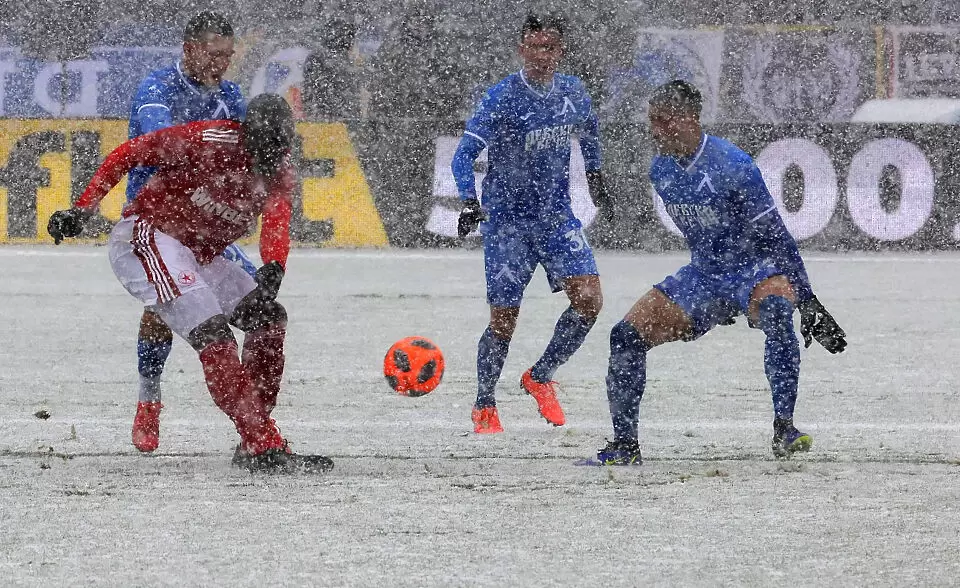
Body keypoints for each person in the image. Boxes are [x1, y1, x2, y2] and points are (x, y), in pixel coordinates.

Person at [47, 94, 333, 473]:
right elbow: (130, 152)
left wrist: (275, 266)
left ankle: (255, 439)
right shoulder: (208, 139)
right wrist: (84, 207)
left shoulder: (280, 170)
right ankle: (264, 445)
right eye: (261, 144)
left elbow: (277, 221)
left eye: (276, 145)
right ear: (246, 133)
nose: (267, 155)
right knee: (214, 334)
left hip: (199, 253)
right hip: (149, 235)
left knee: (268, 317)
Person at [593, 80, 847, 466]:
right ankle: (626, 446)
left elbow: (777, 237)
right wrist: (713, 299)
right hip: (705, 275)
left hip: (753, 270)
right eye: (652, 121)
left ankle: (784, 428)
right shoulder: (660, 170)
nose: (655, 130)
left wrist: (808, 299)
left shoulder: (734, 165)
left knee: (777, 312)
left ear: (690, 119)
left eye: (663, 121)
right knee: (625, 335)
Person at [452, 13, 614, 434]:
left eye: (551, 47)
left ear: (561, 51)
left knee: (590, 301)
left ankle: (540, 375)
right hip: (508, 224)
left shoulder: (574, 92)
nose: (543, 55)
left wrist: (595, 179)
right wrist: (470, 201)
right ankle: (485, 403)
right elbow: (461, 155)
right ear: (521, 49)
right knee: (504, 320)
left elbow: (591, 134)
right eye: (535, 46)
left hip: (556, 218)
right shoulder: (502, 97)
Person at [125, 11, 252, 453]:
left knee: (263, 307)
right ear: (189, 49)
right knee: (160, 311)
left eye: (228, 56)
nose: (221, 64)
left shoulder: (231, 96)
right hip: (156, 219)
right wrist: (216, 148)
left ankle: (256, 423)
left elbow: (246, 156)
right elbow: (164, 146)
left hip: (205, 222)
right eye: (214, 54)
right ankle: (149, 400)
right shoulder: (157, 90)